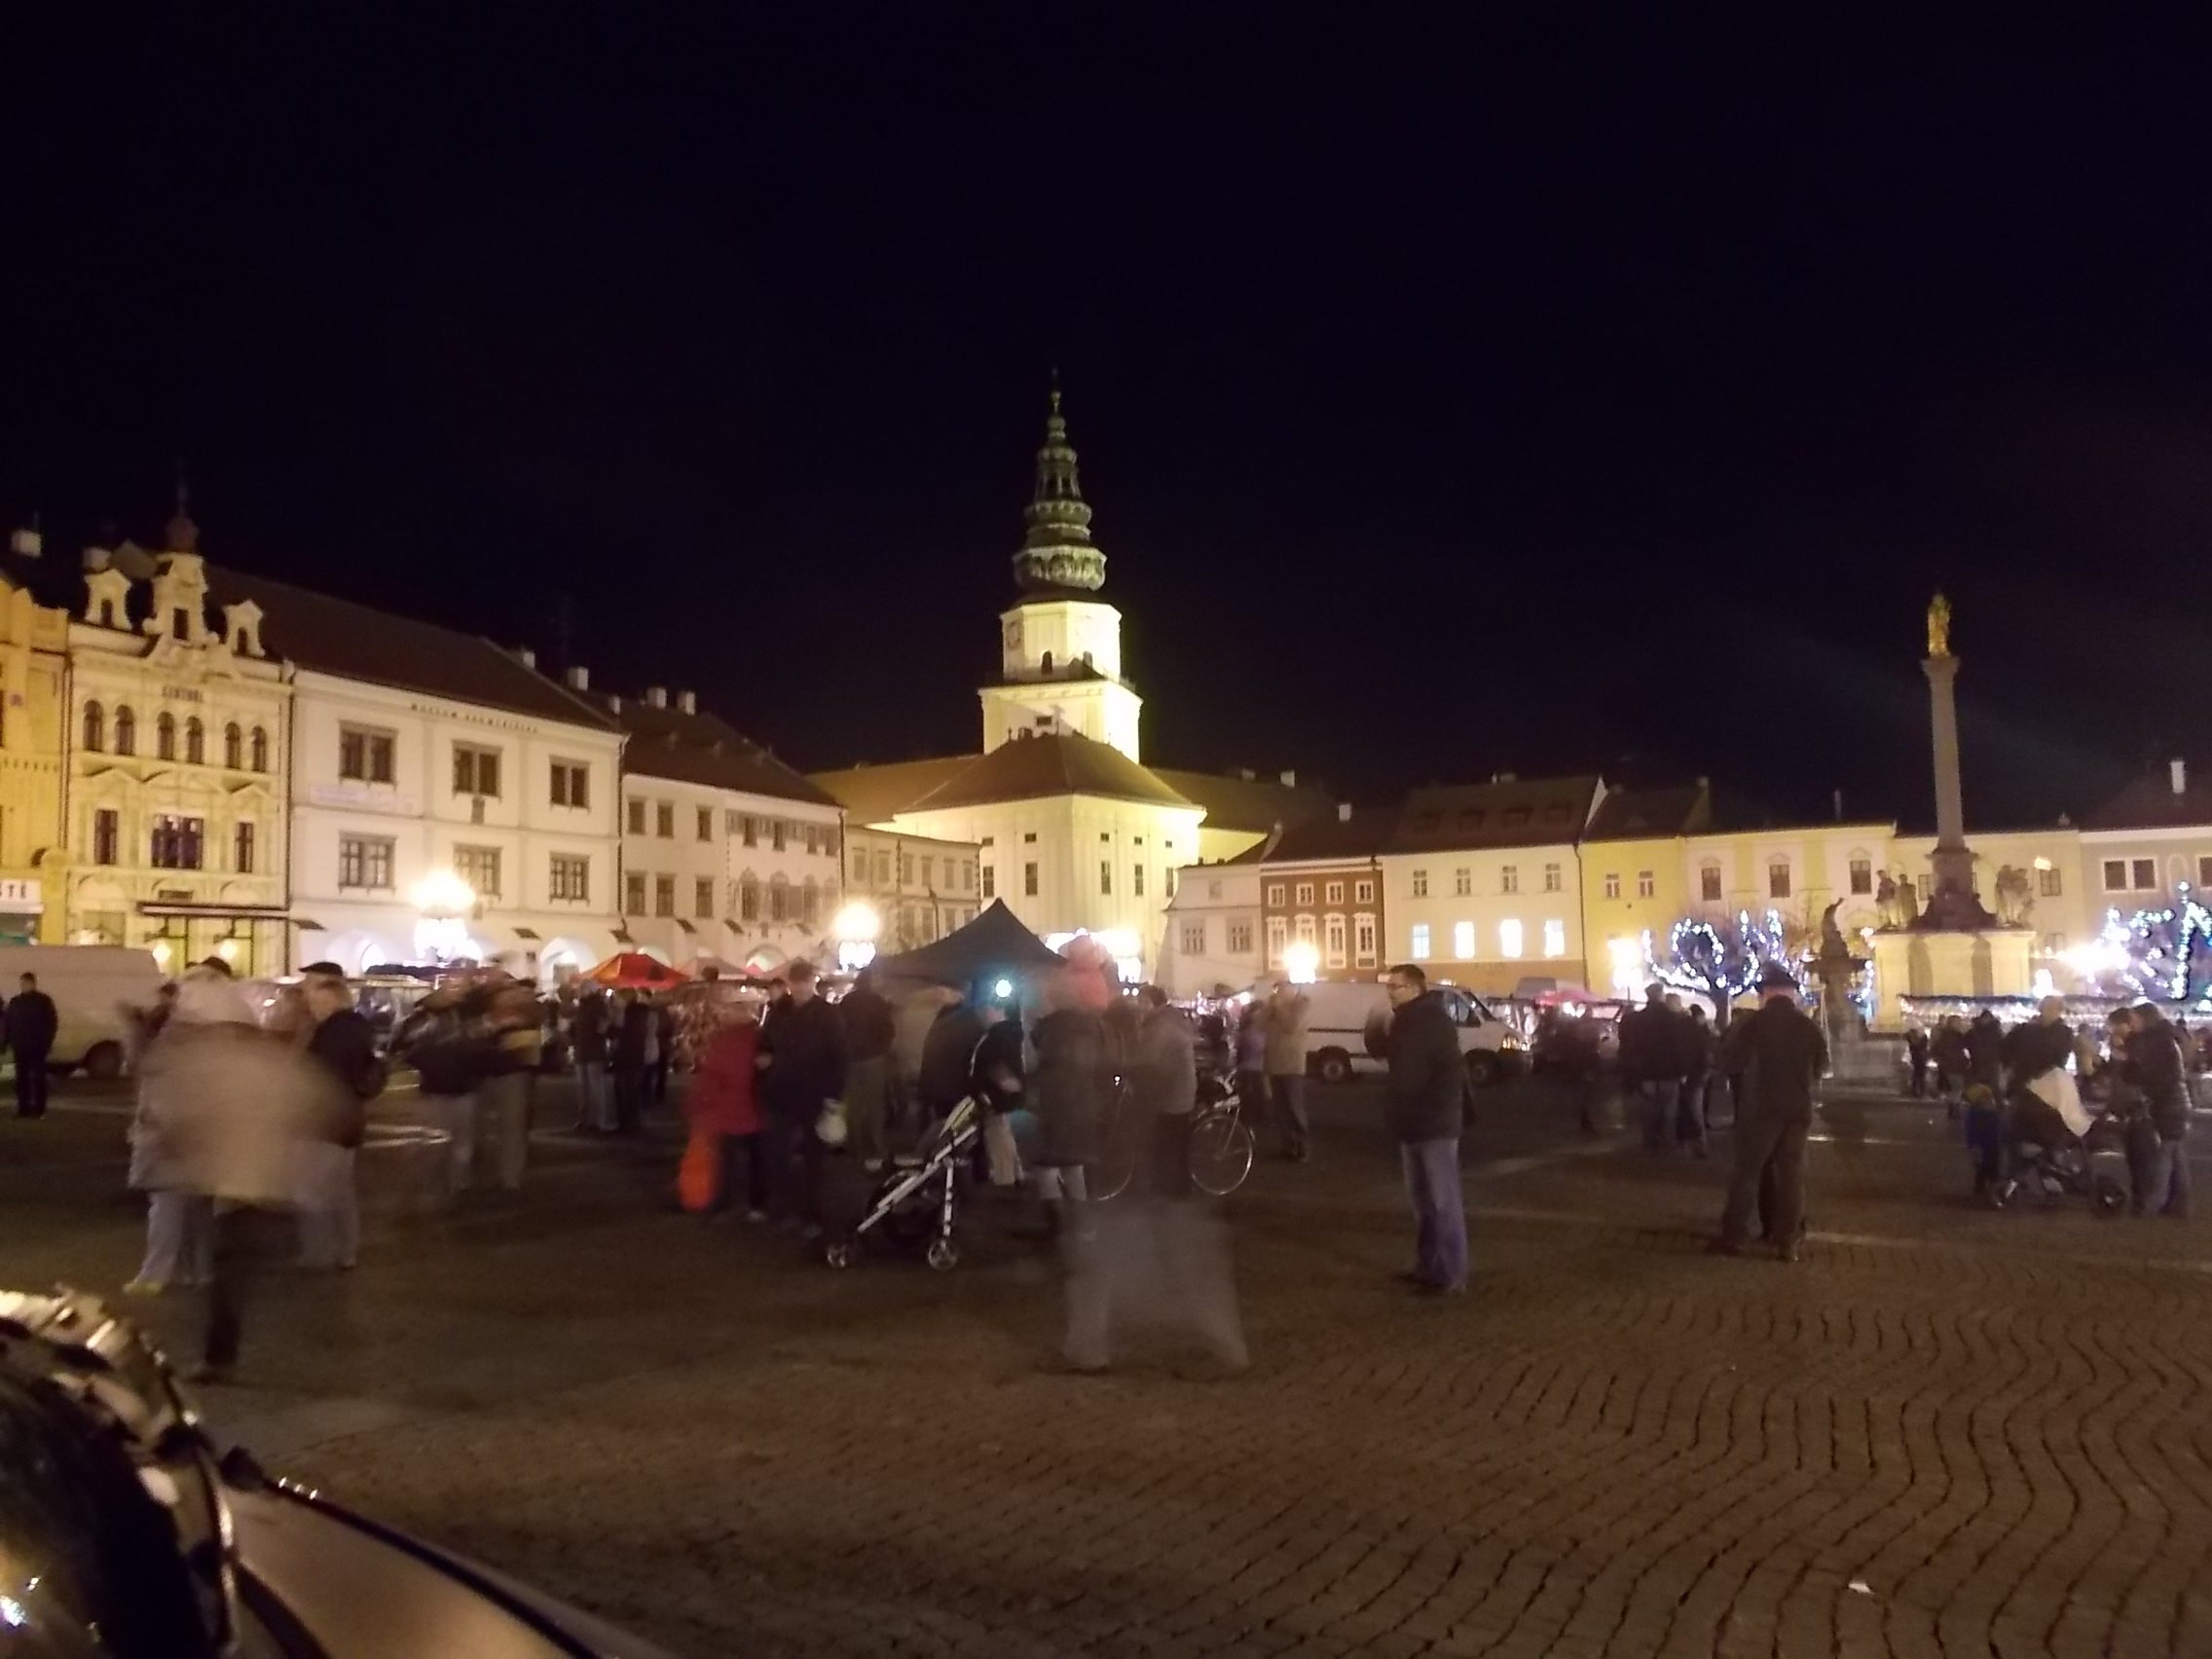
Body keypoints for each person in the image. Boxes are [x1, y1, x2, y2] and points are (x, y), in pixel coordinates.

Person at [143, 971, 337, 1385]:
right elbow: (312, 1099)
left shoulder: (225, 1064)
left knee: (230, 1276)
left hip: (243, 1187)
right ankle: (222, 1353)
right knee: (232, 1272)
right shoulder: (262, 1061)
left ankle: (220, 1359)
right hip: (256, 1184)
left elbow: (188, 1117)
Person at [1713, 964, 1828, 1262]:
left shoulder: (1753, 1023)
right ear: (1791, 995)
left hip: (1760, 1108)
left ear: (1767, 993)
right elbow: (1821, 1066)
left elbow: (1728, 1061)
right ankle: (1787, 1241)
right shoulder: (1808, 1026)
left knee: (1748, 1173)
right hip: (1798, 1109)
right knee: (1791, 1176)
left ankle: (1735, 1235)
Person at [1382, 963, 1468, 1295]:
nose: (1390, 993)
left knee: (1442, 1203)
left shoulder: (1426, 1021)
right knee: (1424, 1204)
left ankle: (1452, 1273)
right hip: (1416, 1122)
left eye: (1395, 987)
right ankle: (1429, 1266)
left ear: (1414, 989)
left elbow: (1409, 1074)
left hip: (1433, 1123)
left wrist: (1394, 1107)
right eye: (1389, 987)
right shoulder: (1407, 1019)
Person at [123, 983, 211, 1295]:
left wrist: (155, 1131)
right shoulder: (197, 1041)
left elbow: (159, 1095)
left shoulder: (167, 1048)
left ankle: (155, 1274)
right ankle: (198, 1271)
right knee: (194, 1210)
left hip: (171, 1140)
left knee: (166, 1209)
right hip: (194, 1138)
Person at [296, 962, 381, 1271]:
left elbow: (323, 1079)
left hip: (325, 1123)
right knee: (339, 1191)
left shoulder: (336, 1032)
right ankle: (345, 1251)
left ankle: (319, 1254)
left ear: (330, 997)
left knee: (313, 1191)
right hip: (344, 1123)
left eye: (313, 993)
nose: (308, 1000)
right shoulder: (352, 1027)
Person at [756, 961, 847, 1235]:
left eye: (804, 983)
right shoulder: (779, 1012)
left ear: (812, 982)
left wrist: (833, 1096)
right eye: (795, 983)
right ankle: (784, 1210)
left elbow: (839, 1056)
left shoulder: (828, 1014)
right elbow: (764, 1042)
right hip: (781, 1090)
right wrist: (765, 1059)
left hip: (813, 1092)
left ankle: (812, 1214)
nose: (799, 989)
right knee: (777, 1155)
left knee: (813, 1159)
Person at [394, 977, 498, 1198]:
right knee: (436, 1139)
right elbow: (404, 1043)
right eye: (452, 989)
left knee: (460, 1140)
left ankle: (456, 1182)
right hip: (438, 1085)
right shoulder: (427, 1016)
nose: (455, 993)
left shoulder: (469, 1015)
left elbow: (485, 1044)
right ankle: (432, 1180)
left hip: (461, 1085)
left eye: (459, 988)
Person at [684, 1000, 767, 1220]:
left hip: (741, 1104)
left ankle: (735, 1202)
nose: (726, 1014)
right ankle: (750, 1203)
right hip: (744, 1105)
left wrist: (701, 1102)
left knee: (736, 1158)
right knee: (742, 1158)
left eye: (730, 1011)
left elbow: (710, 1074)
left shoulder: (739, 1038)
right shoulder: (755, 1037)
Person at [2123, 1001, 2192, 1218]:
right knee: (2174, 1154)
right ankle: (2180, 1203)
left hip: (2168, 1103)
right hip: (2175, 1102)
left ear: (2144, 1019)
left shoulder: (2157, 1043)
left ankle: (2153, 1203)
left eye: (2134, 1019)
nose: (2131, 1023)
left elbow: (2154, 1076)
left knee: (2164, 1155)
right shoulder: (2164, 1040)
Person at [1132, 985, 1198, 1198]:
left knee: (1168, 1142)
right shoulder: (1168, 1019)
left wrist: (1125, 1067)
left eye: (1144, 1002)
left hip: (1172, 1091)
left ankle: (1170, 1189)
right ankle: (1179, 1187)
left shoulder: (1162, 1025)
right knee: (1176, 1142)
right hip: (1176, 1089)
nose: (1140, 1006)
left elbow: (1147, 1058)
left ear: (1155, 1003)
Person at [481, 982, 542, 1190]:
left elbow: (530, 1052)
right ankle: (509, 1173)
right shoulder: (494, 1021)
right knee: (508, 1127)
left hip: (513, 1075)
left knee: (512, 1126)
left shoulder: (523, 1023)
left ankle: (510, 1176)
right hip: (504, 1075)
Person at [836, 966, 899, 1168]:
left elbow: (839, 1030)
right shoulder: (877, 1001)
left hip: (851, 1060)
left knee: (853, 1107)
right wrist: (883, 1048)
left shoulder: (846, 1001)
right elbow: (888, 1029)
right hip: (873, 1058)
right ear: (871, 980)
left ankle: (856, 1150)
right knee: (875, 1105)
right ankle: (878, 1147)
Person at [1618, 982, 1689, 1154]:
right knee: (1669, 1112)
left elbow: (1634, 1047)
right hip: (1668, 1072)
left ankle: (1650, 1143)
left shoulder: (1639, 1019)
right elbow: (1678, 1046)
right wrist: (1682, 1070)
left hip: (1647, 1073)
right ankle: (1668, 1143)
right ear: (1660, 995)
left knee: (1649, 1111)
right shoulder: (1671, 1018)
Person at [1256, 978, 1311, 1161]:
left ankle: (1302, 1147)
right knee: (1280, 1110)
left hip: (1291, 1065)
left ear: (1291, 989)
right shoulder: (1273, 1007)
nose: (1278, 992)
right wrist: (1267, 1008)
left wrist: (1279, 1006)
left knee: (1294, 1108)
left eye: (1281, 988)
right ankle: (1287, 1146)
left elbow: (1292, 1026)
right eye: (1277, 988)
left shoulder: (1302, 1003)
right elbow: (1259, 1026)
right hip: (1274, 1064)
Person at [5, 971, 58, 1119]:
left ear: (33, 984)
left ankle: (40, 1109)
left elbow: (51, 1023)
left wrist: (47, 1042)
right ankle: (23, 1108)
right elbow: (9, 1022)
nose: (23, 986)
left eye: (25, 983)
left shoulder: (43, 1001)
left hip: (37, 1046)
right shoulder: (16, 1001)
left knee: (38, 1079)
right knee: (21, 1080)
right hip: (20, 1046)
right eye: (22, 983)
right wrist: (7, 1041)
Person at [571, 988, 612, 1131]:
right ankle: (588, 1119)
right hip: (586, 1050)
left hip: (591, 1050)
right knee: (588, 1087)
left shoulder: (597, 1006)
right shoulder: (585, 1006)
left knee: (592, 1087)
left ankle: (594, 1120)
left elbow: (603, 1028)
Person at [611, 989, 651, 1134]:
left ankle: (631, 1123)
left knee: (629, 1090)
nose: (615, 1001)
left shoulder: (634, 1014)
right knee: (622, 1089)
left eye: (617, 998)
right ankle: (624, 1122)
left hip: (631, 1056)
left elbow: (630, 1035)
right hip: (625, 1056)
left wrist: (616, 1029)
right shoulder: (629, 1013)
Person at [1932, 1014, 1971, 1116]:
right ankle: (1954, 1109)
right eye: (1958, 1022)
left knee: (1956, 1087)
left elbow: (1935, 1049)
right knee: (1958, 1087)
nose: (1960, 1024)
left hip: (1951, 1065)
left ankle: (1953, 1108)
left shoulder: (1945, 1035)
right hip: (1954, 1065)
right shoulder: (1954, 1036)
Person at [1904, 1022, 1932, 1099]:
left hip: (1917, 1057)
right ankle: (1920, 1091)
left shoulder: (1914, 1036)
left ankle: (1917, 1090)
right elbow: (1919, 1046)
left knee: (1918, 1074)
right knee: (1920, 1074)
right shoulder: (1918, 1037)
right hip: (1919, 1057)